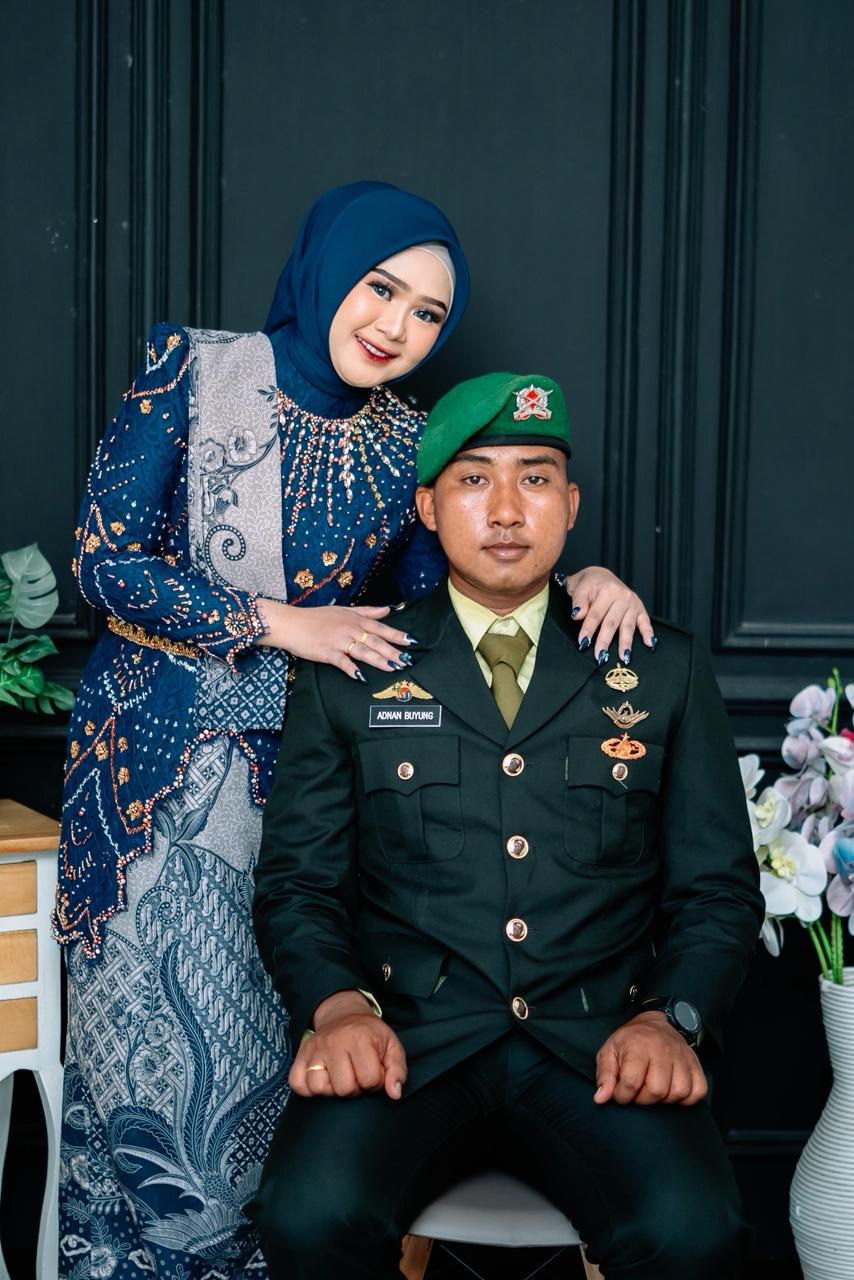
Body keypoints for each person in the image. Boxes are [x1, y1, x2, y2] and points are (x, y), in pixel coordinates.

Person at [54, 184, 653, 1278]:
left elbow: (449, 600)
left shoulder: (404, 439)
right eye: (381, 288)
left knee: (268, 1110)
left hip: (308, 808)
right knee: (153, 1102)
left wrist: (581, 582)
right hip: (158, 793)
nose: (396, 326)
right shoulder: (194, 369)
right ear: (328, 267)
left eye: (427, 313)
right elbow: (102, 561)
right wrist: (274, 621)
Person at [250, 370, 764, 1279]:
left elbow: (717, 891)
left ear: (570, 504)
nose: (505, 510)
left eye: (534, 478)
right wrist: (337, 1008)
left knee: (695, 1231)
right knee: (307, 1214)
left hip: (597, 1045)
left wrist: (671, 1020)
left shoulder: (660, 668)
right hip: (412, 1043)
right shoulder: (355, 668)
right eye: (472, 479)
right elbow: (299, 885)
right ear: (427, 506)